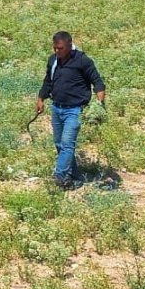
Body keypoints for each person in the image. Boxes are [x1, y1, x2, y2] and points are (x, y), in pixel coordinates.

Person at [35, 31, 106, 188]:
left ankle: (59, 176)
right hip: (57, 108)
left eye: (60, 48)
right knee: (59, 144)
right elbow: (48, 81)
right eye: (55, 48)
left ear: (69, 45)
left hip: (74, 110)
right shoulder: (53, 61)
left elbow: (98, 82)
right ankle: (74, 176)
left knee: (67, 144)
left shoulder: (82, 61)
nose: (57, 51)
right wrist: (41, 98)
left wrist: (100, 104)